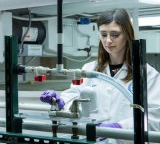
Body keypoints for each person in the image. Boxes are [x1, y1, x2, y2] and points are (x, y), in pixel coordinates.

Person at [40, 8, 160, 143]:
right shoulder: (90, 69)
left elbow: (156, 116)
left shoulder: (147, 74)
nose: (108, 40)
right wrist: (61, 101)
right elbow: (76, 95)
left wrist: (120, 127)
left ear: (127, 35)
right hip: (94, 140)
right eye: (103, 35)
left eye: (115, 35)